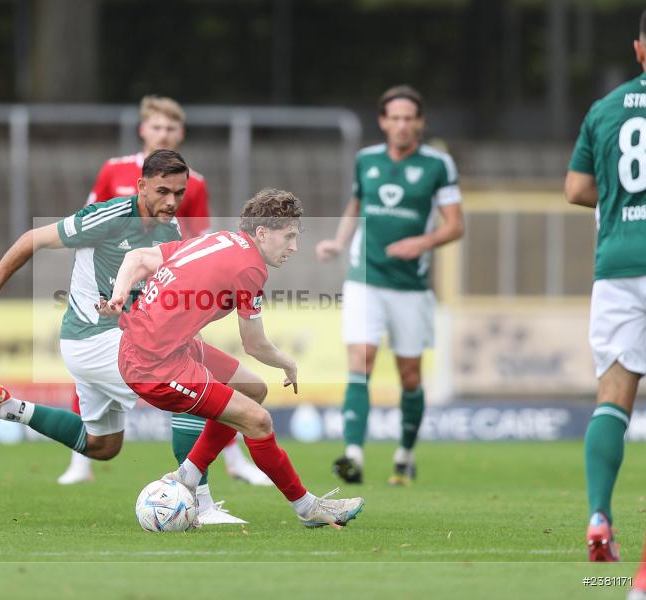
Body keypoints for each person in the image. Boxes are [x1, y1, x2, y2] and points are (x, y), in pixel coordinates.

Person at [0, 149, 248, 525]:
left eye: (179, 193)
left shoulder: (169, 229)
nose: (172, 202)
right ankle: (201, 506)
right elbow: (33, 238)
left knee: (103, 446)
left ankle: (7, 407)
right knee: (188, 392)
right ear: (141, 186)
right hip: (93, 338)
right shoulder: (108, 216)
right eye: (162, 191)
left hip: (119, 340)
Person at [100, 189, 365, 528]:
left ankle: (187, 478)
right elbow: (253, 344)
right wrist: (287, 362)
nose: (294, 247)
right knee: (258, 421)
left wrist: (119, 296)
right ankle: (307, 507)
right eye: (289, 237)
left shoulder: (216, 240)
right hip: (154, 365)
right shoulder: (250, 268)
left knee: (252, 390)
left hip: (158, 345)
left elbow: (137, 259)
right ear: (262, 233)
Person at [59, 94, 271, 488]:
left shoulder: (195, 183)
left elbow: (198, 239)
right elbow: (87, 223)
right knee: (93, 371)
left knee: (198, 376)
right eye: (157, 127)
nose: (163, 134)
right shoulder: (114, 169)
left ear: (181, 133)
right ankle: (81, 464)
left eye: (171, 129)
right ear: (143, 130)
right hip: (112, 287)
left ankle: (229, 460)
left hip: (166, 285)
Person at [316, 85, 464, 486]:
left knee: (410, 374)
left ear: (420, 122)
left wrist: (422, 241)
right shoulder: (366, 160)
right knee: (361, 360)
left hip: (412, 287)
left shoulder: (438, 165)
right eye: (393, 118)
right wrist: (337, 241)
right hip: (366, 278)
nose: (401, 125)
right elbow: (355, 206)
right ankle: (352, 456)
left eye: (408, 118)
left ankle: (404, 455)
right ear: (383, 122)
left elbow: (455, 225)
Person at [565, 9, 646, 562]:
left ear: (640, 50)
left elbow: (575, 188)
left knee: (613, 399)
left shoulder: (605, 108)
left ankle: (599, 517)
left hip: (618, 265)